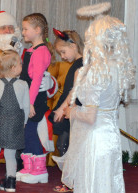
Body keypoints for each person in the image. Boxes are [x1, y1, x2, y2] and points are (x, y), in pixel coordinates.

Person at [0, 11, 57, 180]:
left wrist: (51, 84)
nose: (7, 31)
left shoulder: (26, 52)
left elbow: (38, 75)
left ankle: (24, 161)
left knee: (23, 115)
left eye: (10, 27)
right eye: (2, 28)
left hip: (19, 101)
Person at [53, 2, 135, 193]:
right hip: (111, 137)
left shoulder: (94, 73)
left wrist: (71, 111)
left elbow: (90, 116)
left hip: (94, 139)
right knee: (107, 180)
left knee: (92, 181)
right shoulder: (118, 68)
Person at [0, 49, 30, 192]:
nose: (22, 65)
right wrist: (24, 122)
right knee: (10, 154)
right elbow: (26, 107)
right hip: (16, 123)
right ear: (14, 68)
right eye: (20, 63)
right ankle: (10, 182)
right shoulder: (23, 85)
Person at [16, 13, 55, 184]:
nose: (23, 32)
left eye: (25, 29)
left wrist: (29, 103)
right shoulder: (30, 50)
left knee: (30, 132)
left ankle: (40, 170)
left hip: (34, 100)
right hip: (27, 98)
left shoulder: (41, 51)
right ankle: (30, 167)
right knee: (25, 133)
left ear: (37, 30)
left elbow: (37, 79)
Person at [50, 29, 84, 192]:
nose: (62, 57)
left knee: (68, 146)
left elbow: (74, 91)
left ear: (74, 45)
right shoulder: (77, 64)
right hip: (70, 110)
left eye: (63, 52)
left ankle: (72, 182)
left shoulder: (82, 64)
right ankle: (70, 181)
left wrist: (63, 108)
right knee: (65, 144)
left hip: (76, 112)